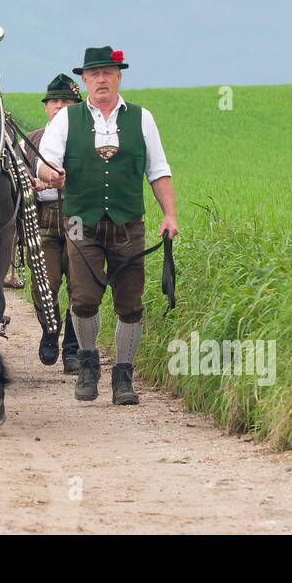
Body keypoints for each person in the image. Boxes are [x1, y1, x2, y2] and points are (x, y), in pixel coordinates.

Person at [38, 46, 178, 406]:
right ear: (84, 80)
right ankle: (87, 365)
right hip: (80, 224)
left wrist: (169, 215)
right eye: (94, 74)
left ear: (119, 77)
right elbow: (45, 164)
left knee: (130, 304)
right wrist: (50, 173)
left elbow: (158, 170)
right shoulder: (66, 121)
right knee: (83, 300)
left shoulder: (142, 119)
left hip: (128, 223)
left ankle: (123, 376)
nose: (101, 79)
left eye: (108, 72)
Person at [21, 73, 85, 374]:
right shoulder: (32, 140)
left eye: (67, 102)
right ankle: (50, 331)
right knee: (43, 284)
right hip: (43, 220)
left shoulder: (88, 139)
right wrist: (32, 182)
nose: (60, 106)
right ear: (46, 107)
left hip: (77, 219)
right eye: (55, 101)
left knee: (79, 285)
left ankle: (72, 346)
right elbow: (17, 176)